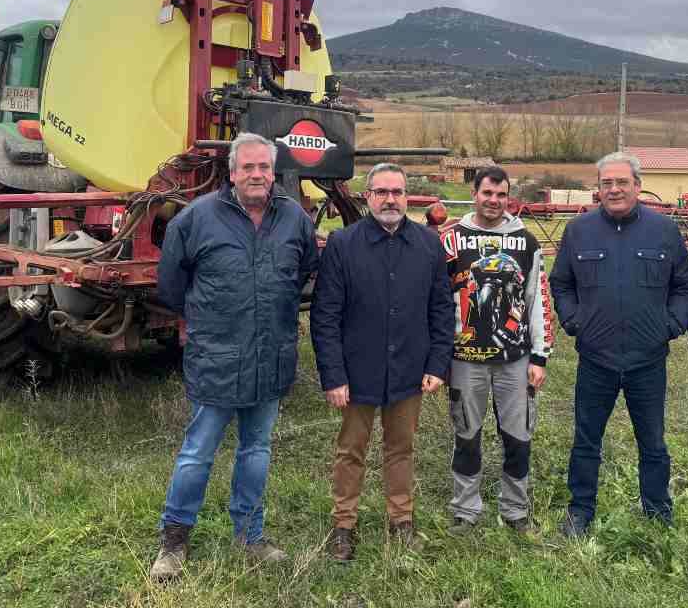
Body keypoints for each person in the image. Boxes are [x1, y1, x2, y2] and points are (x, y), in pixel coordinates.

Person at [150, 133, 319, 582]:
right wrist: (208, 321)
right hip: (217, 357)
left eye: (264, 167)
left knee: (257, 450)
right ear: (231, 173)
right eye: (248, 168)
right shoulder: (197, 219)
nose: (258, 175)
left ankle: (249, 535)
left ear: (274, 171)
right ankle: (174, 541)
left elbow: (303, 271)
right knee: (197, 452)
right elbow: (170, 285)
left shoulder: (294, 220)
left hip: (271, 355)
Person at [549, 151, 688, 536]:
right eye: (606, 183)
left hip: (647, 360)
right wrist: (574, 320)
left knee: (652, 443)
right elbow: (561, 283)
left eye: (621, 182)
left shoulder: (663, 230)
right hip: (595, 358)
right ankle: (580, 511)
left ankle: (657, 513)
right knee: (586, 441)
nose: (614, 189)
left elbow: (685, 283)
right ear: (598, 189)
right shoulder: (578, 231)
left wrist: (671, 324)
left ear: (637, 185)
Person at [310, 162, 454, 561]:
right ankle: (343, 525)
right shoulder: (344, 244)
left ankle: (401, 520)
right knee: (351, 450)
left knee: (401, 449)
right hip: (357, 373)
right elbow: (325, 316)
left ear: (406, 197)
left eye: (397, 192)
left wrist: (437, 365)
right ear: (367, 196)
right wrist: (333, 376)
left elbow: (441, 311)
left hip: (410, 369)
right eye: (381, 192)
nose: (390, 199)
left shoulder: (428, 245)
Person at [440, 166, 553, 535]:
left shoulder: (526, 242)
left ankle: (515, 510)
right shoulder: (451, 240)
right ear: (475, 193)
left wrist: (540, 354)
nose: (494, 201)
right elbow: (436, 300)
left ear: (509, 197)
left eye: (501, 194)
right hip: (464, 357)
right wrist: (438, 354)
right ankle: (465, 510)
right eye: (487, 193)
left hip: (514, 359)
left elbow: (538, 300)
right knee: (466, 433)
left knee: (518, 435)